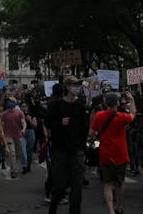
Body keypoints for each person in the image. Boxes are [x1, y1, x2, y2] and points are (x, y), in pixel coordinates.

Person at [45, 75, 89, 214]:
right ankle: (53, 207)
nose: (77, 87)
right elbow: (47, 123)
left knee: (77, 187)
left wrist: (82, 147)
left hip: (76, 152)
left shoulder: (80, 107)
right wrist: (60, 124)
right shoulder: (56, 105)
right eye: (75, 85)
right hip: (60, 150)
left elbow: (84, 129)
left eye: (78, 85)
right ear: (68, 87)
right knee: (59, 185)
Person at [88, 91, 136, 214]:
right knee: (120, 182)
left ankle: (110, 209)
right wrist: (132, 100)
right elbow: (133, 114)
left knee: (108, 183)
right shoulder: (122, 117)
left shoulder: (99, 115)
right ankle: (119, 206)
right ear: (118, 103)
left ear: (105, 103)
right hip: (120, 153)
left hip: (105, 153)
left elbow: (91, 134)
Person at [1, 97, 26, 178]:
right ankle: (13, 171)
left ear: (15, 103)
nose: (10, 103)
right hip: (8, 136)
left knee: (17, 153)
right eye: (8, 101)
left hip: (18, 136)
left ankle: (13, 166)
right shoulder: (3, 114)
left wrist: (24, 129)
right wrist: (2, 137)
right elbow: (2, 126)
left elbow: (23, 122)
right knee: (12, 153)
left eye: (11, 101)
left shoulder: (19, 112)